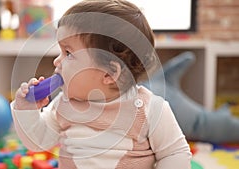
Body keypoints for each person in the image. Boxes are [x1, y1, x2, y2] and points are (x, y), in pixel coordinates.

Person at [11, 0, 192, 168]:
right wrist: (26, 109)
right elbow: (37, 141)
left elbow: (175, 152)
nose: (56, 61)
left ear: (110, 73)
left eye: (68, 53)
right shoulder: (63, 104)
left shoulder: (149, 110)